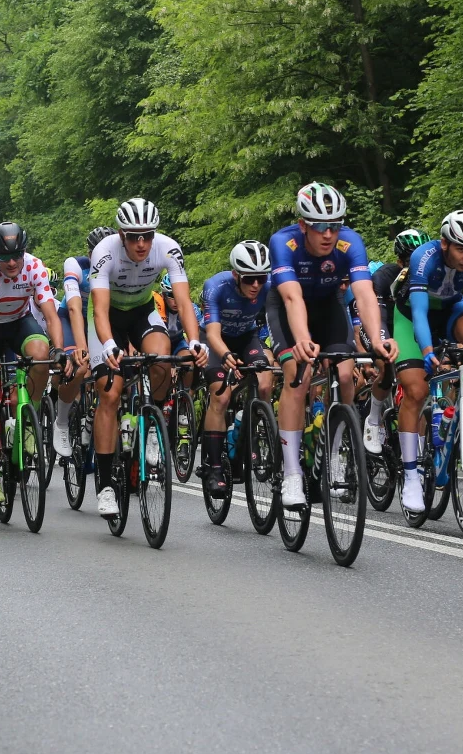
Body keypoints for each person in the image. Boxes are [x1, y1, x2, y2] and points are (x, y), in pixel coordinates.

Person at [267, 182, 398, 510]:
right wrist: (301, 341)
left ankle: (338, 454)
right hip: (287, 307)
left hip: (328, 304)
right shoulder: (284, 243)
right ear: (303, 225)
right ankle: (292, 473)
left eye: (335, 225)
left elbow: (366, 295)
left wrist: (379, 340)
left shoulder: (350, 242)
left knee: (344, 373)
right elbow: (292, 297)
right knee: (299, 375)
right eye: (320, 226)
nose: (328, 233)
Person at [88, 198, 207, 517]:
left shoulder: (168, 248)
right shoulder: (105, 252)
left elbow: (183, 301)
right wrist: (110, 344)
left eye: (147, 235)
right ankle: (106, 487)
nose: (141, 243)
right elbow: (99, 310)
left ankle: (148, 420)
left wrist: (195, 341)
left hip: (142, 312)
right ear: (121, 234)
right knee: (109, 393)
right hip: (108, 317)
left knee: (162, 360)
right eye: (133, 236)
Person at [392, 211, 463, 513]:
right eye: (462, 249)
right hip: (412, 315)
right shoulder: (424, 257)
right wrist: (426, 351)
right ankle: (411, 474)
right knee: (416, 391)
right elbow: (421, 313)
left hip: (450, 309)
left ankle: (462, 409)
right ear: (445, 243)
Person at [0, 223, 68, 506]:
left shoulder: (34, 266)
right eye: (4, 257)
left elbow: (50, 316)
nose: (12, 263)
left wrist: (59, 349)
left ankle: (28, 422)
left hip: (17, 325)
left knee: (40, 352)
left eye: (17, 255)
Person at [200, 240, 274, 498]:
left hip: (246, 338)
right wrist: (225, 354)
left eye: (261, 278)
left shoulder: (270, 286)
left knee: (265, 381)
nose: (256, 285)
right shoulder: (216, 287)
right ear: (236, 275)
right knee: (221, 395)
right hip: (216, 340)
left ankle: (245, 428)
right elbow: (212, 333)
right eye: (249, 279)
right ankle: (214, 467)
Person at [359, 229, 425, 453]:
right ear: (399, 261)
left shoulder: (429, 276)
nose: (416, 264)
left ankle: (421, 446)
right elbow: (377, 319)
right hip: (379, 327)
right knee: (387, 364)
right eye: (409, 260)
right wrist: (385, 342)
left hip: (407, 331)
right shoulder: (384, 278)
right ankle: (374, 418)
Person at [50, 227, 112, 457]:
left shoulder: (119, 268)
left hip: (99, 321)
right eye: (97, 251)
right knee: (78, 368)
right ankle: (62, 422)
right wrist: (81, 348)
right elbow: (75, 307)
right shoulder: (77, 265)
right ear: (89, 251)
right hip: (71, 318)